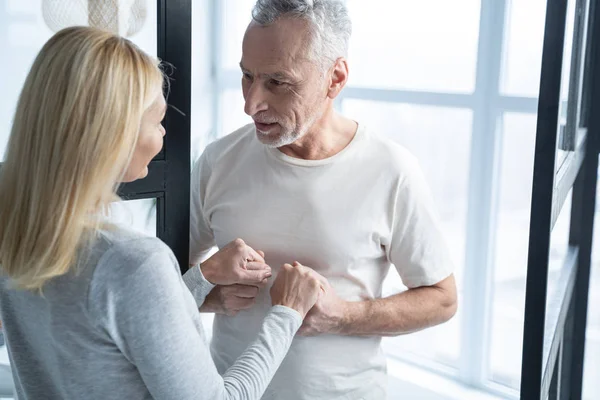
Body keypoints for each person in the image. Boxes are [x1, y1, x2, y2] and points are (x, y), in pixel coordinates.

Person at [0, 26, 323, 400]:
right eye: (157, 121)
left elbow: (107, 334)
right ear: (113, 136)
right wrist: (288, 313)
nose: (163, 135)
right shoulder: (133, 263)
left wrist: (202, 278)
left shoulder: (17, 230)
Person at [189, 1, 458, 399]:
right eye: (247, 76)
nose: (251, 104)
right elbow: (168, 278)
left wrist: (343, 317)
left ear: (335, 78)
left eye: (278, 83)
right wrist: (209, 294)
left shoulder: (392, 171)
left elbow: (442, 299)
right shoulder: (218, 161)